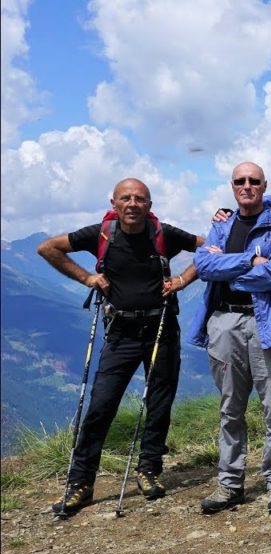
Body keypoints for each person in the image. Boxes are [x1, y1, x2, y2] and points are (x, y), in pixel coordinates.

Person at [38, 178, 203, 514]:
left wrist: (183, 280)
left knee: (159, 403)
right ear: (113, 202)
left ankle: (149, 470)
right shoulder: (101, 233)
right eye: (125, 199)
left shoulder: (164, 234)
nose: (132, 204)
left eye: (140, 199)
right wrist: (87, 278)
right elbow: (48, 248)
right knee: (101, 406)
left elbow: (209, 248)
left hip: (161, 327)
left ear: (149, 205)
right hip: (121, 332)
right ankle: (81, 482)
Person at [189, 161, 271, 515]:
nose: (247, 186)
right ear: (232, 185)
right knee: (230, 407)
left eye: (254, 180)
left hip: (270, 323)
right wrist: (252, 260)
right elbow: (204, 267)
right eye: (240, 181)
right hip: (223, 323)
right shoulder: (222, 224)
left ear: (265, 185)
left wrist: (231, 268)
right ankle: (229, 483)